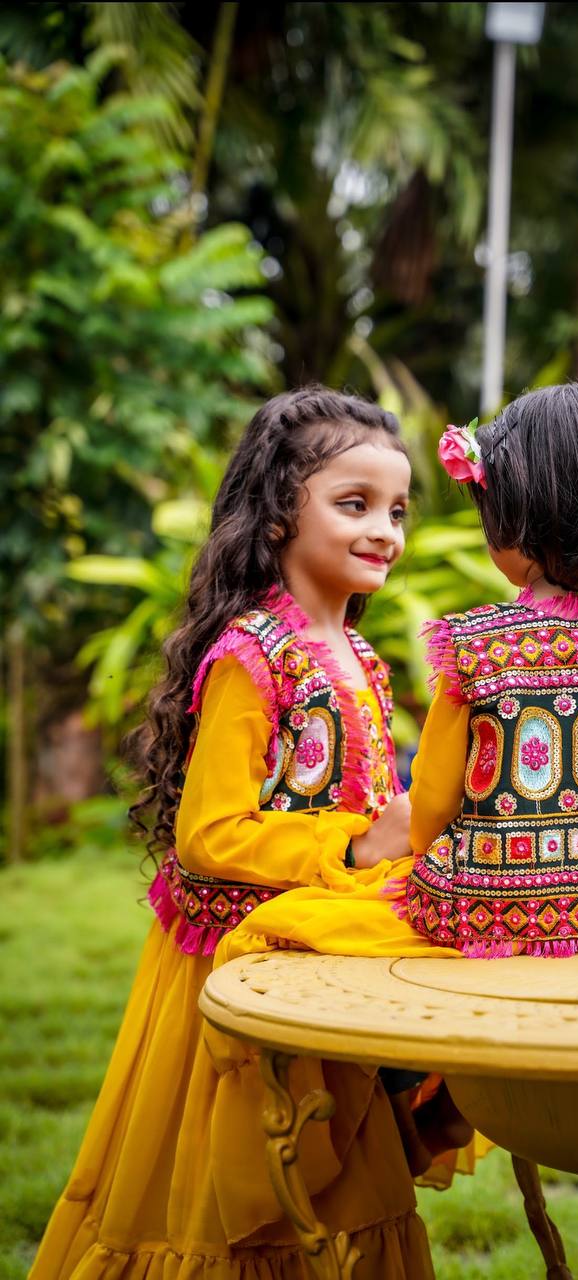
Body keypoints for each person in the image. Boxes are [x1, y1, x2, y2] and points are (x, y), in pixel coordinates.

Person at [31, 387, 444, 1280]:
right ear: (274, 519)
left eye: (398, 511)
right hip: (235, 971)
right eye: (354, 504)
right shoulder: (251, 656)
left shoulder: (362, 656)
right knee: (237, 1188)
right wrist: (354, 846)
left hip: (320, 950)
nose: (385, 530)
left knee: (344, 1174)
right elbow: (207, 836)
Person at [215, 382, 578, 973]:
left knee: (274, 930)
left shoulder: (477, 647)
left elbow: (431, 809)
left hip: (493, 908)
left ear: (516, 519)